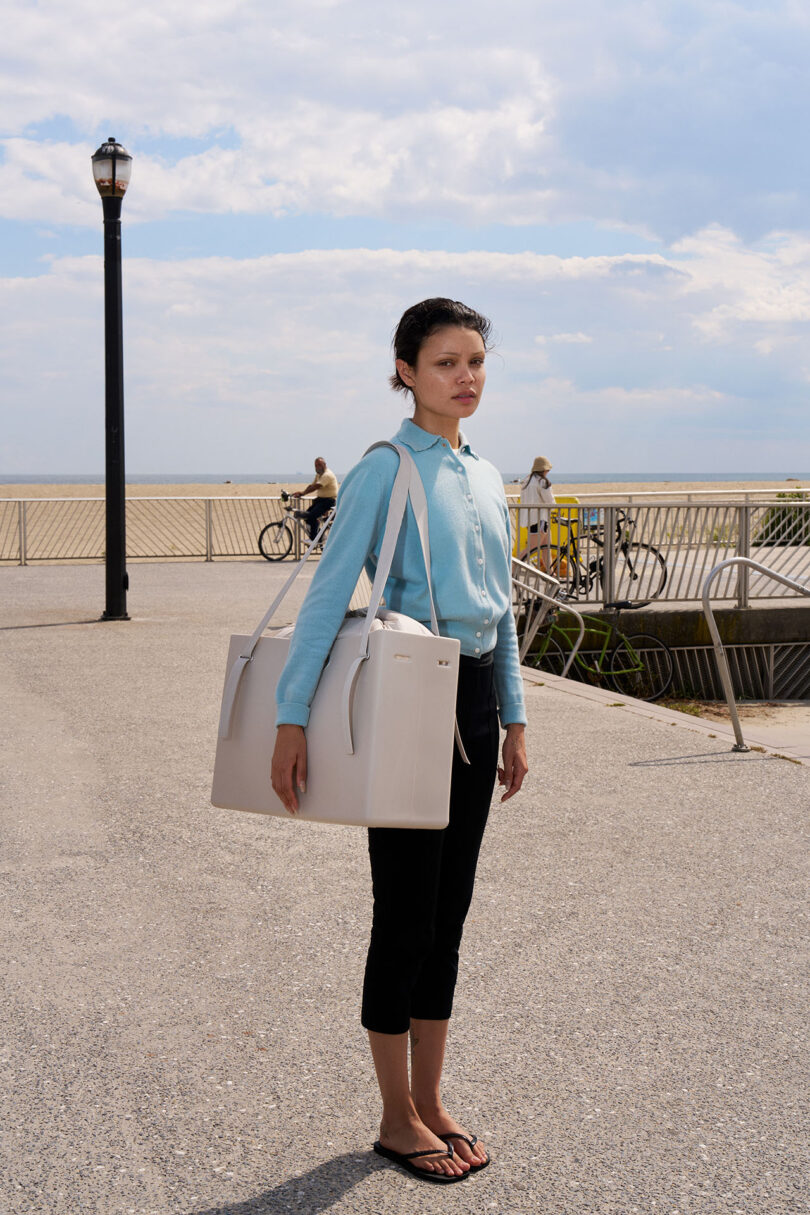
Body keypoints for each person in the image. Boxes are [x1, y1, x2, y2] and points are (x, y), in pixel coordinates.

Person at [270, 298, 528, 1184]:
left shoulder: (488, 475)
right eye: (447, 362)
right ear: (406, 372)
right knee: (406, 913)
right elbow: (325, 595)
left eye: (476, 362)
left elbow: (501, 614)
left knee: (449, 918)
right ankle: (393, 1114)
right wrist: (290, 715)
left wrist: (517, 718)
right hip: (412, 699)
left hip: (476, 706)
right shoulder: (385, 468)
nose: (466, 378)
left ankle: (431, 1096)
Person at [520, 455, 556, 572]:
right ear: (545, 470)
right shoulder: (542, 482)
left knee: (547, 548)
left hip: (529, 518)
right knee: (531, 548)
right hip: (540, 519)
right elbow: (550, 502)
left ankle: (550, 575)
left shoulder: (526, 480)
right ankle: (511, 568)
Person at [290, 457, 338, 541]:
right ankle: (319, 536)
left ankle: (314, 539)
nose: (317, 467)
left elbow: (316, 486)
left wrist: (303, 493)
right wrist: (301, 493)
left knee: (312, 516)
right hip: (320, 500)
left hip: (328, 501)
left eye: (319, 464)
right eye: (315, 465)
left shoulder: (327, 475)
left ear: (324, 464)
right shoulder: (319, 475)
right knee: (306, 516)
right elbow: (312, 485)